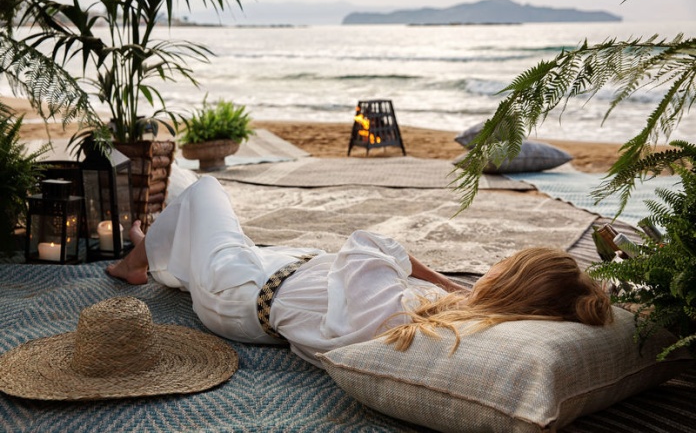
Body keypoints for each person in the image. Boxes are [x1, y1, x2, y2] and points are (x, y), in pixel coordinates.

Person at [107, 176, 613, 367]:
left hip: (240, 289)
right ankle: (152, 252)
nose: (494, 265)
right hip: (270, 278)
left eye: (504, 263)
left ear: (507, 280)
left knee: (204, 191)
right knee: (197, 247)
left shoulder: (404, 309)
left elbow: (366, 243)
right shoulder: (444, 317)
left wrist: (442, 281)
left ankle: (136, 260)